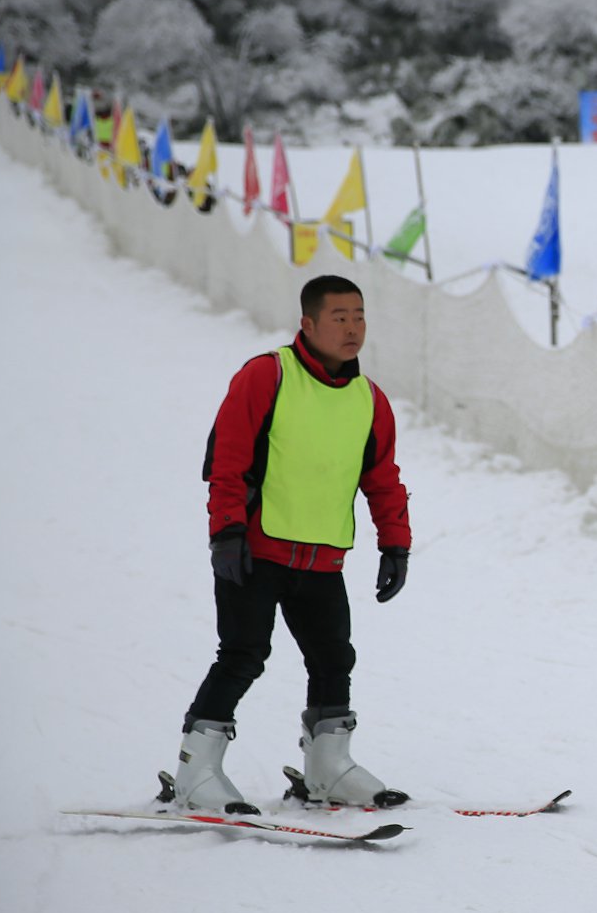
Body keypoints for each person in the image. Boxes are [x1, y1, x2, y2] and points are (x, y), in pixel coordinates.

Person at [166, 275, 413, 813]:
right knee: (242, 656)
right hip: (255, 552)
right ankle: (196, 772)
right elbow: (225, 460)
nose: (352, 329)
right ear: (308, 323)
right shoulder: (267, 375)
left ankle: (329, 769)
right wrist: (226, 532)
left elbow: (383, 477)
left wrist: (396, 544)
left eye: (360, 316)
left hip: (322, 557)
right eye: (339, 318)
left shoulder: (369, 400)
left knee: (333, 660)